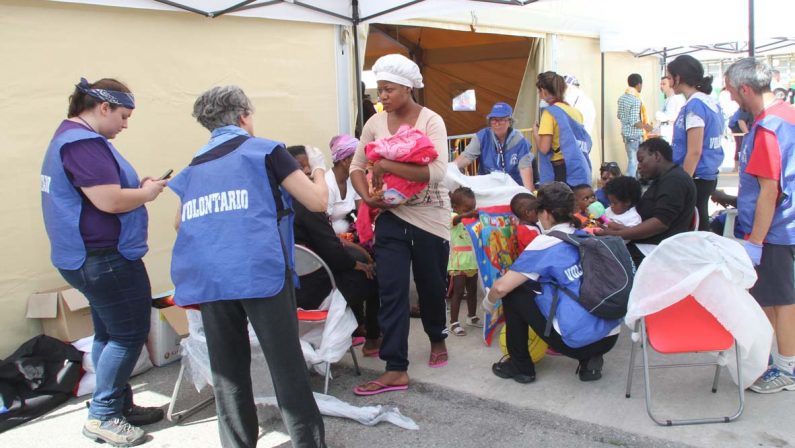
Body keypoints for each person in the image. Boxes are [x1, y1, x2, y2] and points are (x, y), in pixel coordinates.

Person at [169, 85, 327, 448]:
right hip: (262, 275)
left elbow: (180, 223)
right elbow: (317, 202)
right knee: (286, 368)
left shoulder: (194, 166)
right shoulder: (267, 151)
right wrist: (318, 169)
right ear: (243, 116)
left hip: (212, 281)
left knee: (228, 374)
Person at [40, 77, 167, 446]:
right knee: (128, 334)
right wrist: (147, 193)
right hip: (103, 258)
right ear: (103, 107)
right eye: (124, 116)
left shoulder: (68, 138)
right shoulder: (83, 144)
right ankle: (104, 415)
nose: (126, 125)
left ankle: (116, 403)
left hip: (86, 256)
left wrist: (138, 189)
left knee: (109, 333)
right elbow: (109, 201)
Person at [349, 54, 450, 395]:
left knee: (431, 286)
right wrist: (368, 196)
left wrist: (385, 165)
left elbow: (436, 171)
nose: (383, 97)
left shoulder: (431, 121)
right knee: (391, 289)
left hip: (429, 216)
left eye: (388, 89)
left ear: (407, 88)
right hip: (390, 216)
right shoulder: (375, 124)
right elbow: (356, 166)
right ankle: (396, 368)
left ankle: (437, 337)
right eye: (380, 90)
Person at [483, 182, 621, 384]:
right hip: (610, 336)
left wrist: (487, 302)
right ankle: (589, 362)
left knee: (514, 293)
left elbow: (501, 287)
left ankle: (521, 367)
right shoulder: (582, 233)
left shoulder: (544, 242)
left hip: (579, 343)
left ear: (545, 213)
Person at [722, 58, 795, 393]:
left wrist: (755, 241)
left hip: (774, 230)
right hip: (784, 225)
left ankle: (786, 369)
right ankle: (764, 361)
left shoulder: (768, 128)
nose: (731, 96)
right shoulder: (787, 115)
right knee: (770, 297)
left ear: (746, 88)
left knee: (781, 300)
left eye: (732, 90)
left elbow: (769, 190)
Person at [290, 149, 381, 355]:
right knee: (373, 276)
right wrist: (358, 264)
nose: (308, 171)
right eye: (302, 166)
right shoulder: (309, 205)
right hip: (313, 292)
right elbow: (332, 249)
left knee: (357, 262)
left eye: (309, 166)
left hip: (286, 290)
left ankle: (356, 328)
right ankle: (373, 339)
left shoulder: (276, 203)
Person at [598, 138, 696, 266]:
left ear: (656, 156)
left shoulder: (675, 181)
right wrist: (622, 229)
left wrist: (617, 234)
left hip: (655, 250)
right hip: (646, 242)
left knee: (598, 256)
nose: (638, 166)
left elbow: (660, 223)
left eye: (641, 160)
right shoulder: (665, 178)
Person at [667, 54, 725, 231]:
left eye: (670, 78)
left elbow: (694, 151)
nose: (669, 83)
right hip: (706, 175)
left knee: (695, 228)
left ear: (678, 78)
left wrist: (682, 182)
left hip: (696, 177)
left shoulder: (695, 106)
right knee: (699, 223)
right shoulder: (709, 102)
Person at [454, 102, 534, 190]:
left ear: (510, 121)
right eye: (493, 119)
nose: (497, 123)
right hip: (488, 188)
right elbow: (466, 157)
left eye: (501, 119)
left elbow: (525, 168)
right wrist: (450, 168)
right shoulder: (482, 136)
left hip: (513, 188)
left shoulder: (520, 141)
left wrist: (529, 193)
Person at [533, 71, 592, 187]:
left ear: (544, 91)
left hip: (560, 169)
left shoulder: (549, 113)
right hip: (578, 165)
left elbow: (544, 148)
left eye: (539, 91)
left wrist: (536, 133)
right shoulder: (576, 112)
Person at [447, 187, 481, 337]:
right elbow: (456, 220)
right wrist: (468, 215)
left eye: (473, 208)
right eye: (467, 209)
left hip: (472, 261)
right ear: (456, 207)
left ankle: (471, 316)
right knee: (458, 292)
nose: (471, 211)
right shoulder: (453, 216)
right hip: (459, 262)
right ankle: (454, 322)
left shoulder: (471, 220)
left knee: (472, 291)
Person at [617, 73, 653, 177]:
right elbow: (634, 122)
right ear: (639, 85)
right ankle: (629, 184)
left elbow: (619, 115)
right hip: (635, 136)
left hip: (626, 134)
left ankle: (634, 183)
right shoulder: (636, 100)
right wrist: (647, 127)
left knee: (632, 160)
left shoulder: (622, 98)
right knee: (634, 162)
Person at [325, 135, 361, 234]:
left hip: (349, 233)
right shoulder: (327, 184)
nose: (363, 162)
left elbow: (361, 213)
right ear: (345, 161)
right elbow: (323, 227)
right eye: (358, 158)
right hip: (330, 238)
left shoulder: (353, 179)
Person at [655, 75, 686, 144]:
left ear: (671, 84)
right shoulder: (667, 99)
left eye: (664, 84)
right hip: (664, 133)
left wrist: (666, 118)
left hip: (672, 135)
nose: (661, 86)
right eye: (661, 84)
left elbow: (680, 117)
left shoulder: (678, 98)